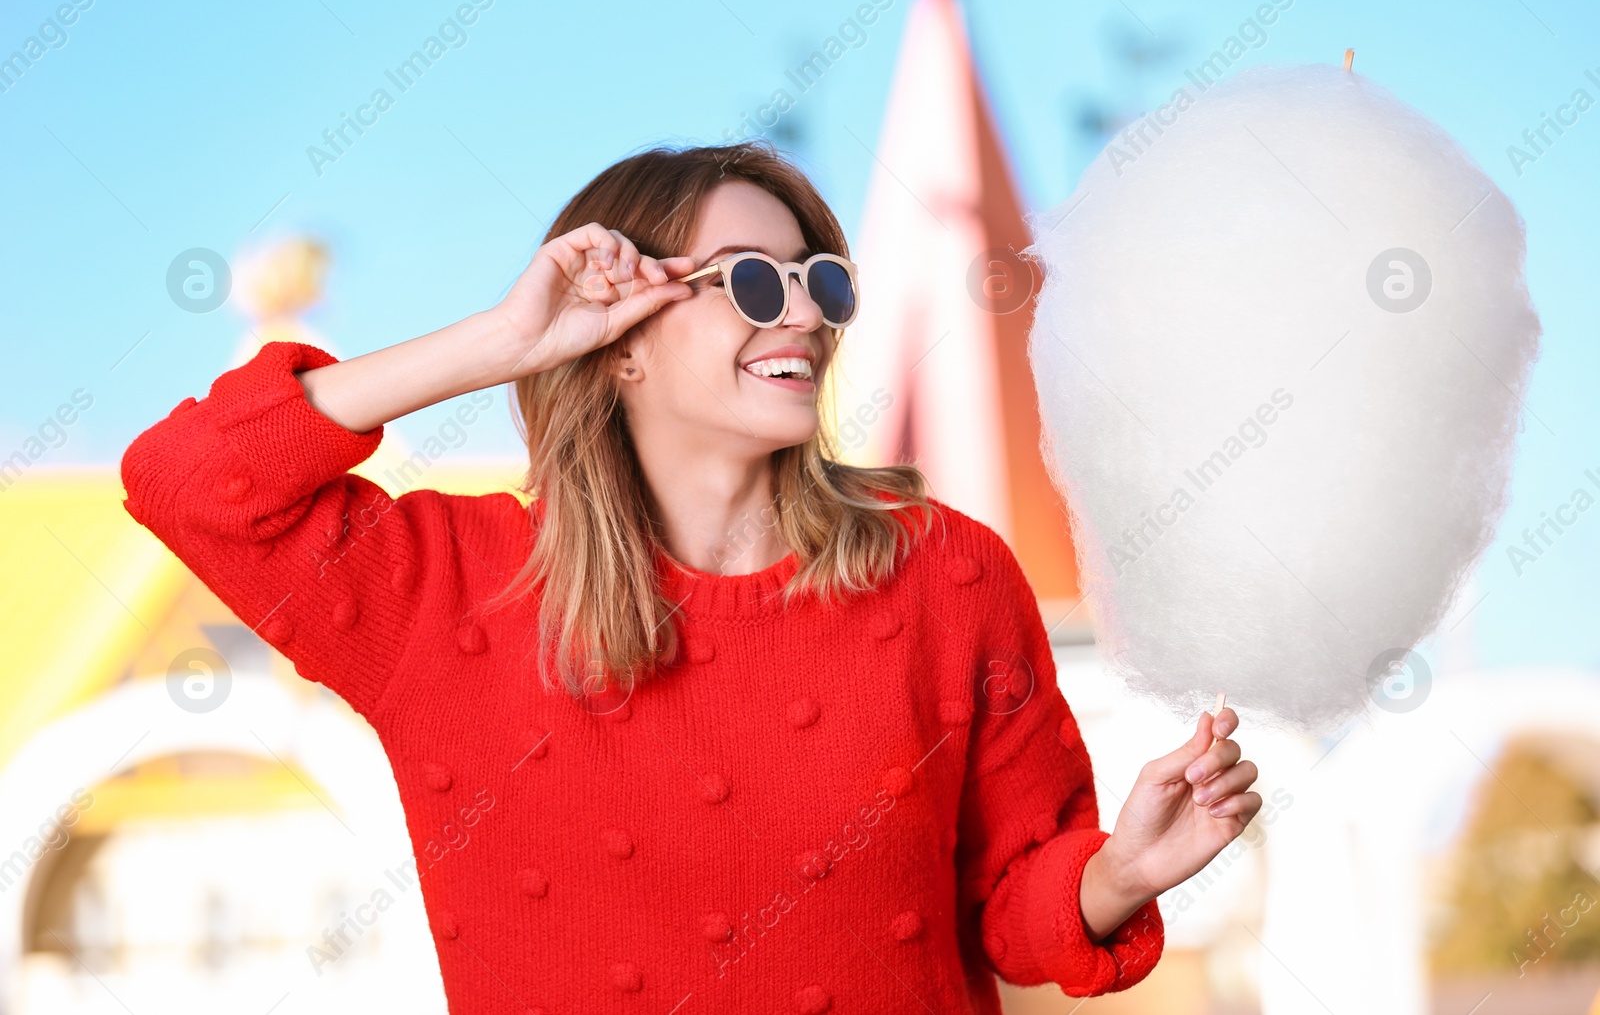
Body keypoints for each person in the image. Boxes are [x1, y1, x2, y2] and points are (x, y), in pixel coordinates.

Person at [121, 139, 1260, 1013]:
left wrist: (1118, 869)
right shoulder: (451, 592)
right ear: (618, 341)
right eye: (751, 284)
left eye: (821, 280)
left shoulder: (945, 572)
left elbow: (1015, 908)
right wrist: (500, 341)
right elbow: (182, 478)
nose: (806, 311)